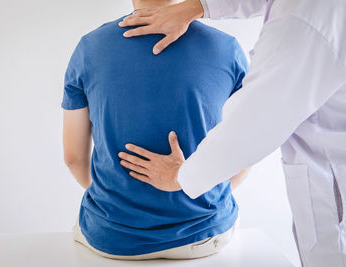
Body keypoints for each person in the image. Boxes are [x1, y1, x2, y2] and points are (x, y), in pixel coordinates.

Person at [117, 0, 346, 266]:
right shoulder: (227, 47)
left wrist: (182, 176)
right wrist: (198, 6)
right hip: (209, 228)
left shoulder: (304, 22)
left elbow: (254, 123)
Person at [61, 0, 250, 260]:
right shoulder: (227, 48)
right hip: (206, 236)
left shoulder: (89, 48)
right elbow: (244, 153)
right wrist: (194, 193)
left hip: (112, 237)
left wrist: (123, 202)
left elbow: (74, 158)